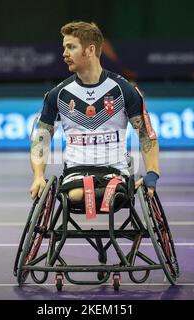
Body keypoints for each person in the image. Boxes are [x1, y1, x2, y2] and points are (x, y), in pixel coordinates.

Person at [29, 21, 159, 212]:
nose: (64, 54)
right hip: (75, 173)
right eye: (64, 47)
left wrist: (152, 173)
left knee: (113, 194)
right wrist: (38, 176)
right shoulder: (58, 94)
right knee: (74, 195)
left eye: (71, 47)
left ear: (90, 50)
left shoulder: (123, 90)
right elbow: (41, 139)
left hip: (116, 172)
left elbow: (146, 135)